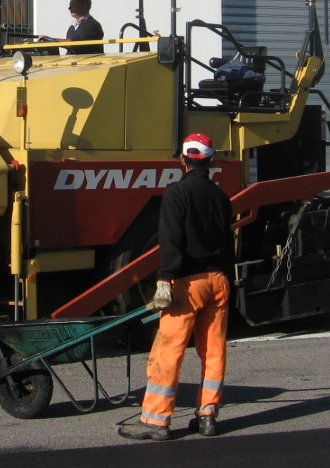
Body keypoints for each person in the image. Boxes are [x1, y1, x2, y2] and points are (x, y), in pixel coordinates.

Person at [118, 133, 234, 441]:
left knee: (169, 350)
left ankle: (156, 421)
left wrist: (164, 279)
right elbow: (227, 241)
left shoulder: (176, 194)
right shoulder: (221, 197)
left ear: (183, 160)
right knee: (213, 351)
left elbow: (170, 242)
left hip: (186, 282)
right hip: (218, 280)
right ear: (210, 161)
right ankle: (208, 416)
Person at [38, 0, 104, 54]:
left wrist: (50, 40)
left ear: (84, 5)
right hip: (74, 63)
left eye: (73, 5)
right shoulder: (72, 27)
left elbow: (75, 44)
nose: (69, 8)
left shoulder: (92, 25)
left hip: (88, 64)